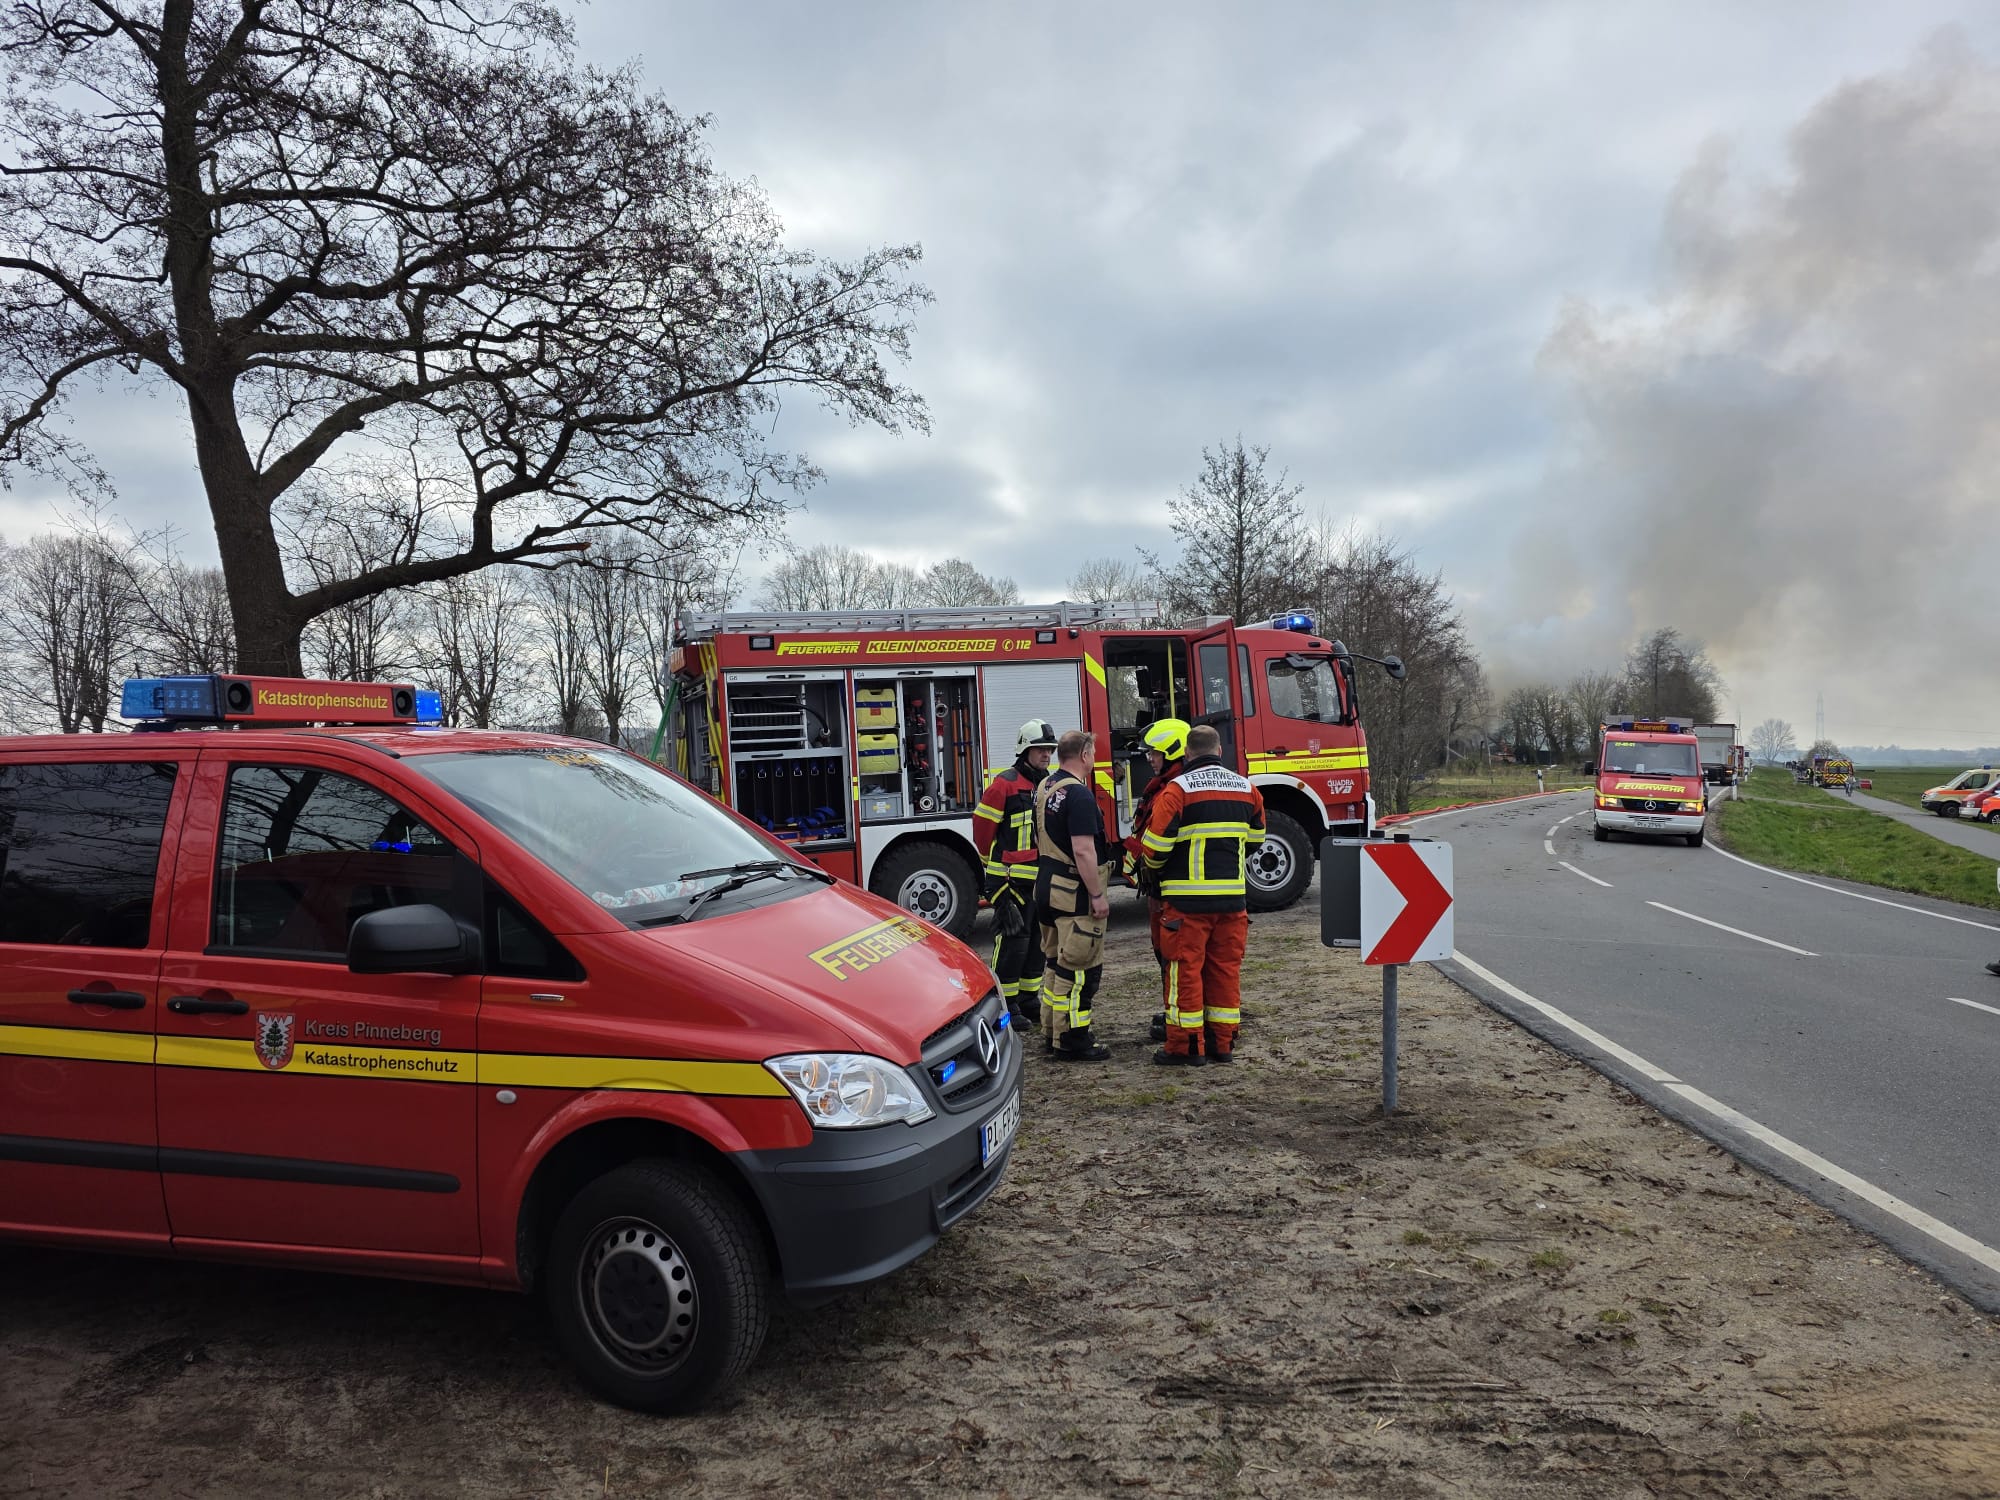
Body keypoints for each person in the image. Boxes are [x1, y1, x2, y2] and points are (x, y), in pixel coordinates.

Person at [1142, 723, 1266, 1066]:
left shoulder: (1177, 790)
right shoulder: (1247, 789)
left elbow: (1154, 849)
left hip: (1186, 905)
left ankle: (1186, 1048)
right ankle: (1222, 1044)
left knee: (1184, 973)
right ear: (1220, 751)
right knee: (1225, 971)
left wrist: (1161, 869)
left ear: (1186, 753)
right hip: (1233, 903)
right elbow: (1256, 841)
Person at [1032, 729, 1113, 1061]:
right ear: (1084, 755)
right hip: (1072, 893)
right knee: (1080, 968)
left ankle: (1052, 1031)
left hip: (1046, 887)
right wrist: (1097, 894)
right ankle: (1073, 1039)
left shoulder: (1045, 787)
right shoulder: (1079, 795)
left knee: (1055, 963)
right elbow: (1083, 850)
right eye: (1093, 752)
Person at [973, 719, 1057, 1025]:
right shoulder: (1004, 785)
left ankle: (1027, 998)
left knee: (1037, 942)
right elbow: (983, 831)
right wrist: (993, 870)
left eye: (1049, 749)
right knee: (1013, 942)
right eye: (1040, 749)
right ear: (1025, 750)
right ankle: (1004, 1004)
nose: (1046, 754)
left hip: (1039, 879)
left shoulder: (1048, 784)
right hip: (1009, 882)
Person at [1121, 718, 1190, 1044]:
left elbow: (1159, 843)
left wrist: (1145, 860)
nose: (1149, 758)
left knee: (1174, 958)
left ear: (1173, 751)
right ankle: (1174, 1011)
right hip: (1157, 887)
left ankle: (1180, 1017)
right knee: (1164, 955)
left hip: (1168, 886)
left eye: (1155, 753)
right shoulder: (1163, 786)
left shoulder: (1174, 790)